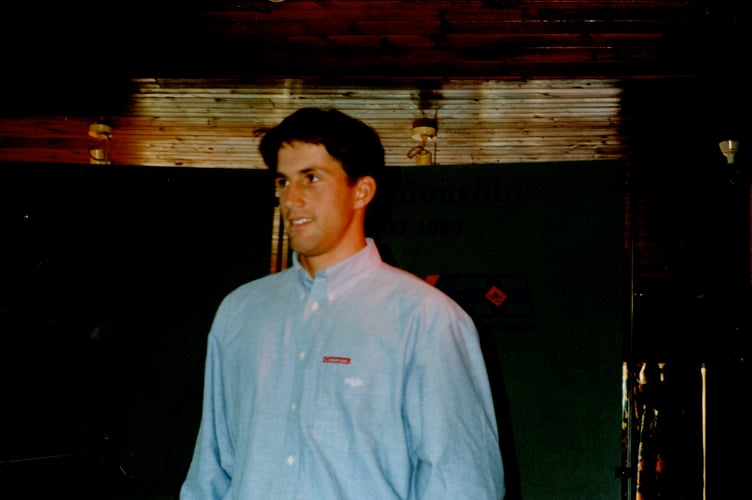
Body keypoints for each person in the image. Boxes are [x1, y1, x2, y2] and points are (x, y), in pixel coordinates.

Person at [180, 107, 505, 499]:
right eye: (283, 181)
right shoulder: (240, 312)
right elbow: (210, 474)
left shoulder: (427, 318)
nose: (291, 199)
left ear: (362, 191)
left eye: (311, 178)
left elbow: (461, 484)